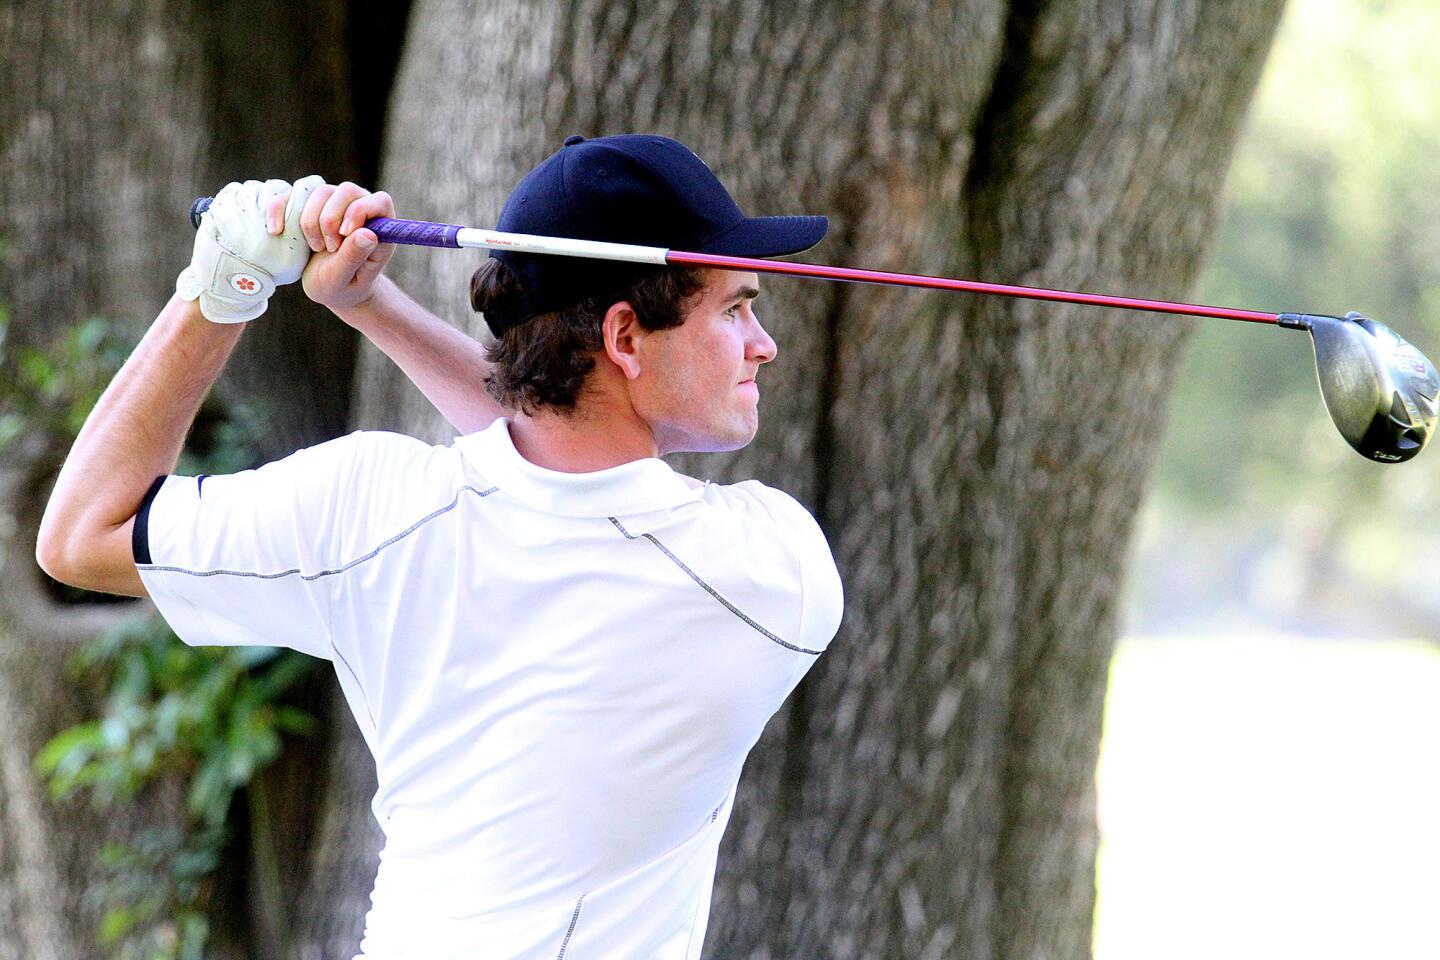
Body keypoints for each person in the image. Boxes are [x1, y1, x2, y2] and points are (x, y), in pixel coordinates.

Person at [36, 134, 843, 959]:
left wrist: (223, 283)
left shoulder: (366, 511)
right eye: (736, 309)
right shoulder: (769, 575)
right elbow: (565, 452)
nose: (762, 343)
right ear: (626, 338)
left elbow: (81, 534)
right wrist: (367, 306)